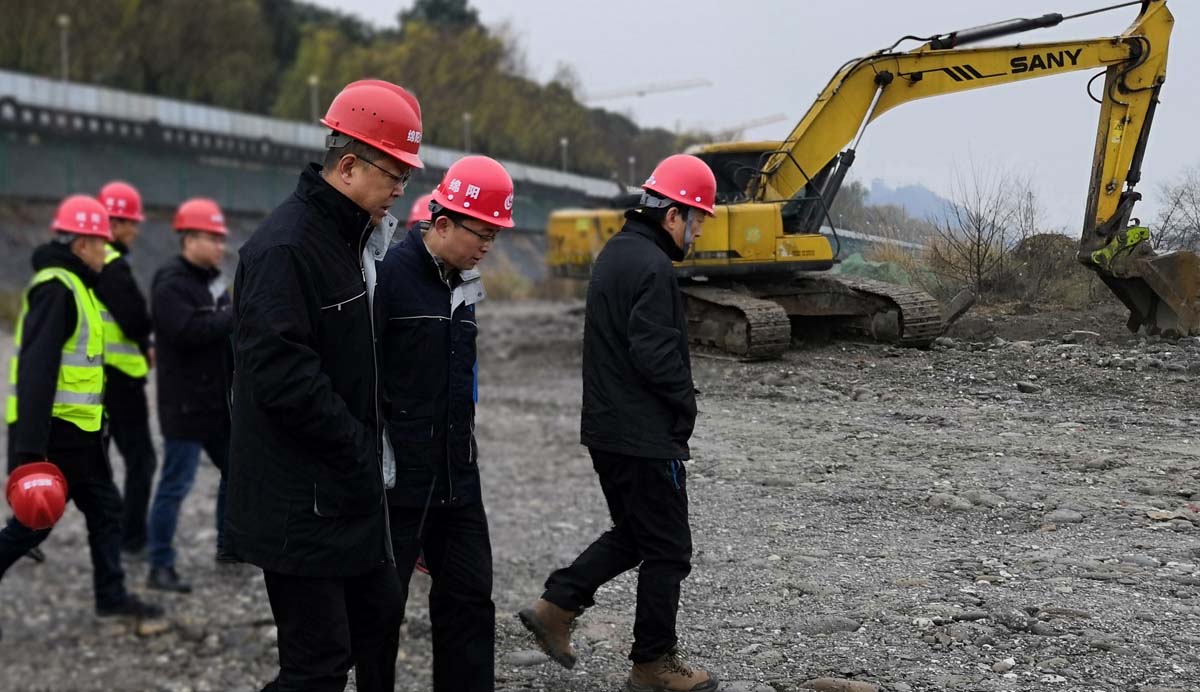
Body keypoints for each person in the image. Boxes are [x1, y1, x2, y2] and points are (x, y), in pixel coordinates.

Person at [225, 78, 422, 692]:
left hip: (345, 491)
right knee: (316, 668)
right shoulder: (284, 248)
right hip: (300, 499)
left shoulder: (351, 242)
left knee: (378, 619)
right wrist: (359, 448)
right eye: (394, 173)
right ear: (348, 166)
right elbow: (282, 376)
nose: (401, 188)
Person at [520, 154, 720, 692]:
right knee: (669, 549)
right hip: (643, 436)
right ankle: (653, 664)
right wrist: (684, 408)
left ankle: (557, 605)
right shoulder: (652, 266)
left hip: (608, 430)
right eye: (698, 219)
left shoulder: (617, 252)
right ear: (673, 215)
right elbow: (655, 355)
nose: (699, 231)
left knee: (636, 533)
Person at [378, 155, 514, 691]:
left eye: (495, 236)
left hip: (458, 478)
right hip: (398, 483)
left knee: (470, 601)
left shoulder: (463, 283)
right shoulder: (388, 278)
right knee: (379, 611)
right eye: (483, 234)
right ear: (442, 222)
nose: (488, 247)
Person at [0, 195, 162, 621]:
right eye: (100, 243)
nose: (105, 252)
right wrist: (29, 455)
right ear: (81, 244)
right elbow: (37, 372)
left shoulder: (78, 285)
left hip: (82, 438)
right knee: (33, 524)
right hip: (58, 437)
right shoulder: (58, 288)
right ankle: (111, 595)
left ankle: (112, 597)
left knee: (105, 511)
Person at [145, 198, 235, 592]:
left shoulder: (212, 280)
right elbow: (187, 331)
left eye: (221, 239)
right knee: (175, 486)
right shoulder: (170, 283)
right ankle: (159, 565)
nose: (220, 246)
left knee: (236, 472)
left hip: (216, 403)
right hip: (183, 406)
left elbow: (221, 328)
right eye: (213, 238)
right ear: (189, 239)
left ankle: (229, 544)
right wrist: (233, 315)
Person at [95, 180, 157, 555]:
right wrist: (147, 338)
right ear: (115, 223)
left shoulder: (92, 260)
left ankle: (30, 522)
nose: (135, 230)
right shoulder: (112, 266)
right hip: (120, 380)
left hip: (101, 377)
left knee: (94, 463)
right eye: (132, 223)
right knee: (141, 462)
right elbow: (135, 318)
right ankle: (131, 537)